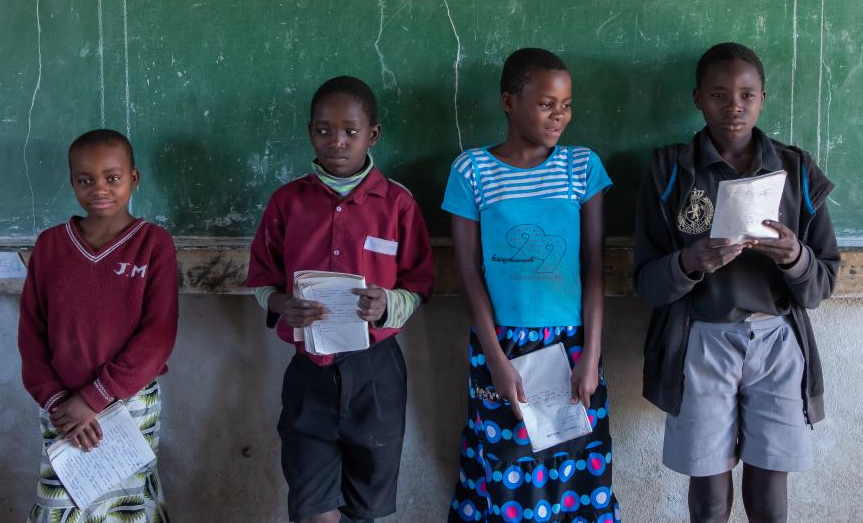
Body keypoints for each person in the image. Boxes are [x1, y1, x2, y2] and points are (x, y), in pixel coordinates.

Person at [633, 42, 840, 522]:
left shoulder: (796, 170)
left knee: (769, 493)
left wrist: (795, 257)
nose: (734, 107)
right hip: (700, 340)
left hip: (777, 341)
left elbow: (821, 283)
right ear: (697, 99)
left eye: (747, 95)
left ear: (763, 98)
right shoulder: (671, 171)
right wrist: (690, 261)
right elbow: (646, 284)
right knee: (708, 494)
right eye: (719, 95)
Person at [245, 76, 435, 523]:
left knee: (364, 509)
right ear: (310, 131)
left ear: (373, 134)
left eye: (350, 131)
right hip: (309, 373)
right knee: (313, 508)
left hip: (376, 372)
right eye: (324, 130)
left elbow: (421, 283)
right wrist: (280, 304)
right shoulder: (287, 203)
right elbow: (260, 280)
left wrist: (388, 303)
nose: (337, 141)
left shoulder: (397, 204)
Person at [443, 48, 621, 523]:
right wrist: (497, 361)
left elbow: (593, 265)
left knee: (577, 474)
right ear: (508, 101)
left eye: (565, 104)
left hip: (572, 347)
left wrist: (590, 359)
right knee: (507, 475)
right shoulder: (472, 171)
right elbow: (468, 273)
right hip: (501, 347)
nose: (558, 115)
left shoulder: (581, 167)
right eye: (546, 104)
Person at [18, 128, 178, 522]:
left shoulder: (153, 244)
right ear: (72, 182)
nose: (99, 189)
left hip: (130, 401)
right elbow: (31, 333)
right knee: (61, 504)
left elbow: (157, 337)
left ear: (133, 178)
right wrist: (59, 402)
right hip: (62, 408)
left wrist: (94, 398)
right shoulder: (51, 246)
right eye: (85, 180)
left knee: (127, 506)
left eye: (112, 177)